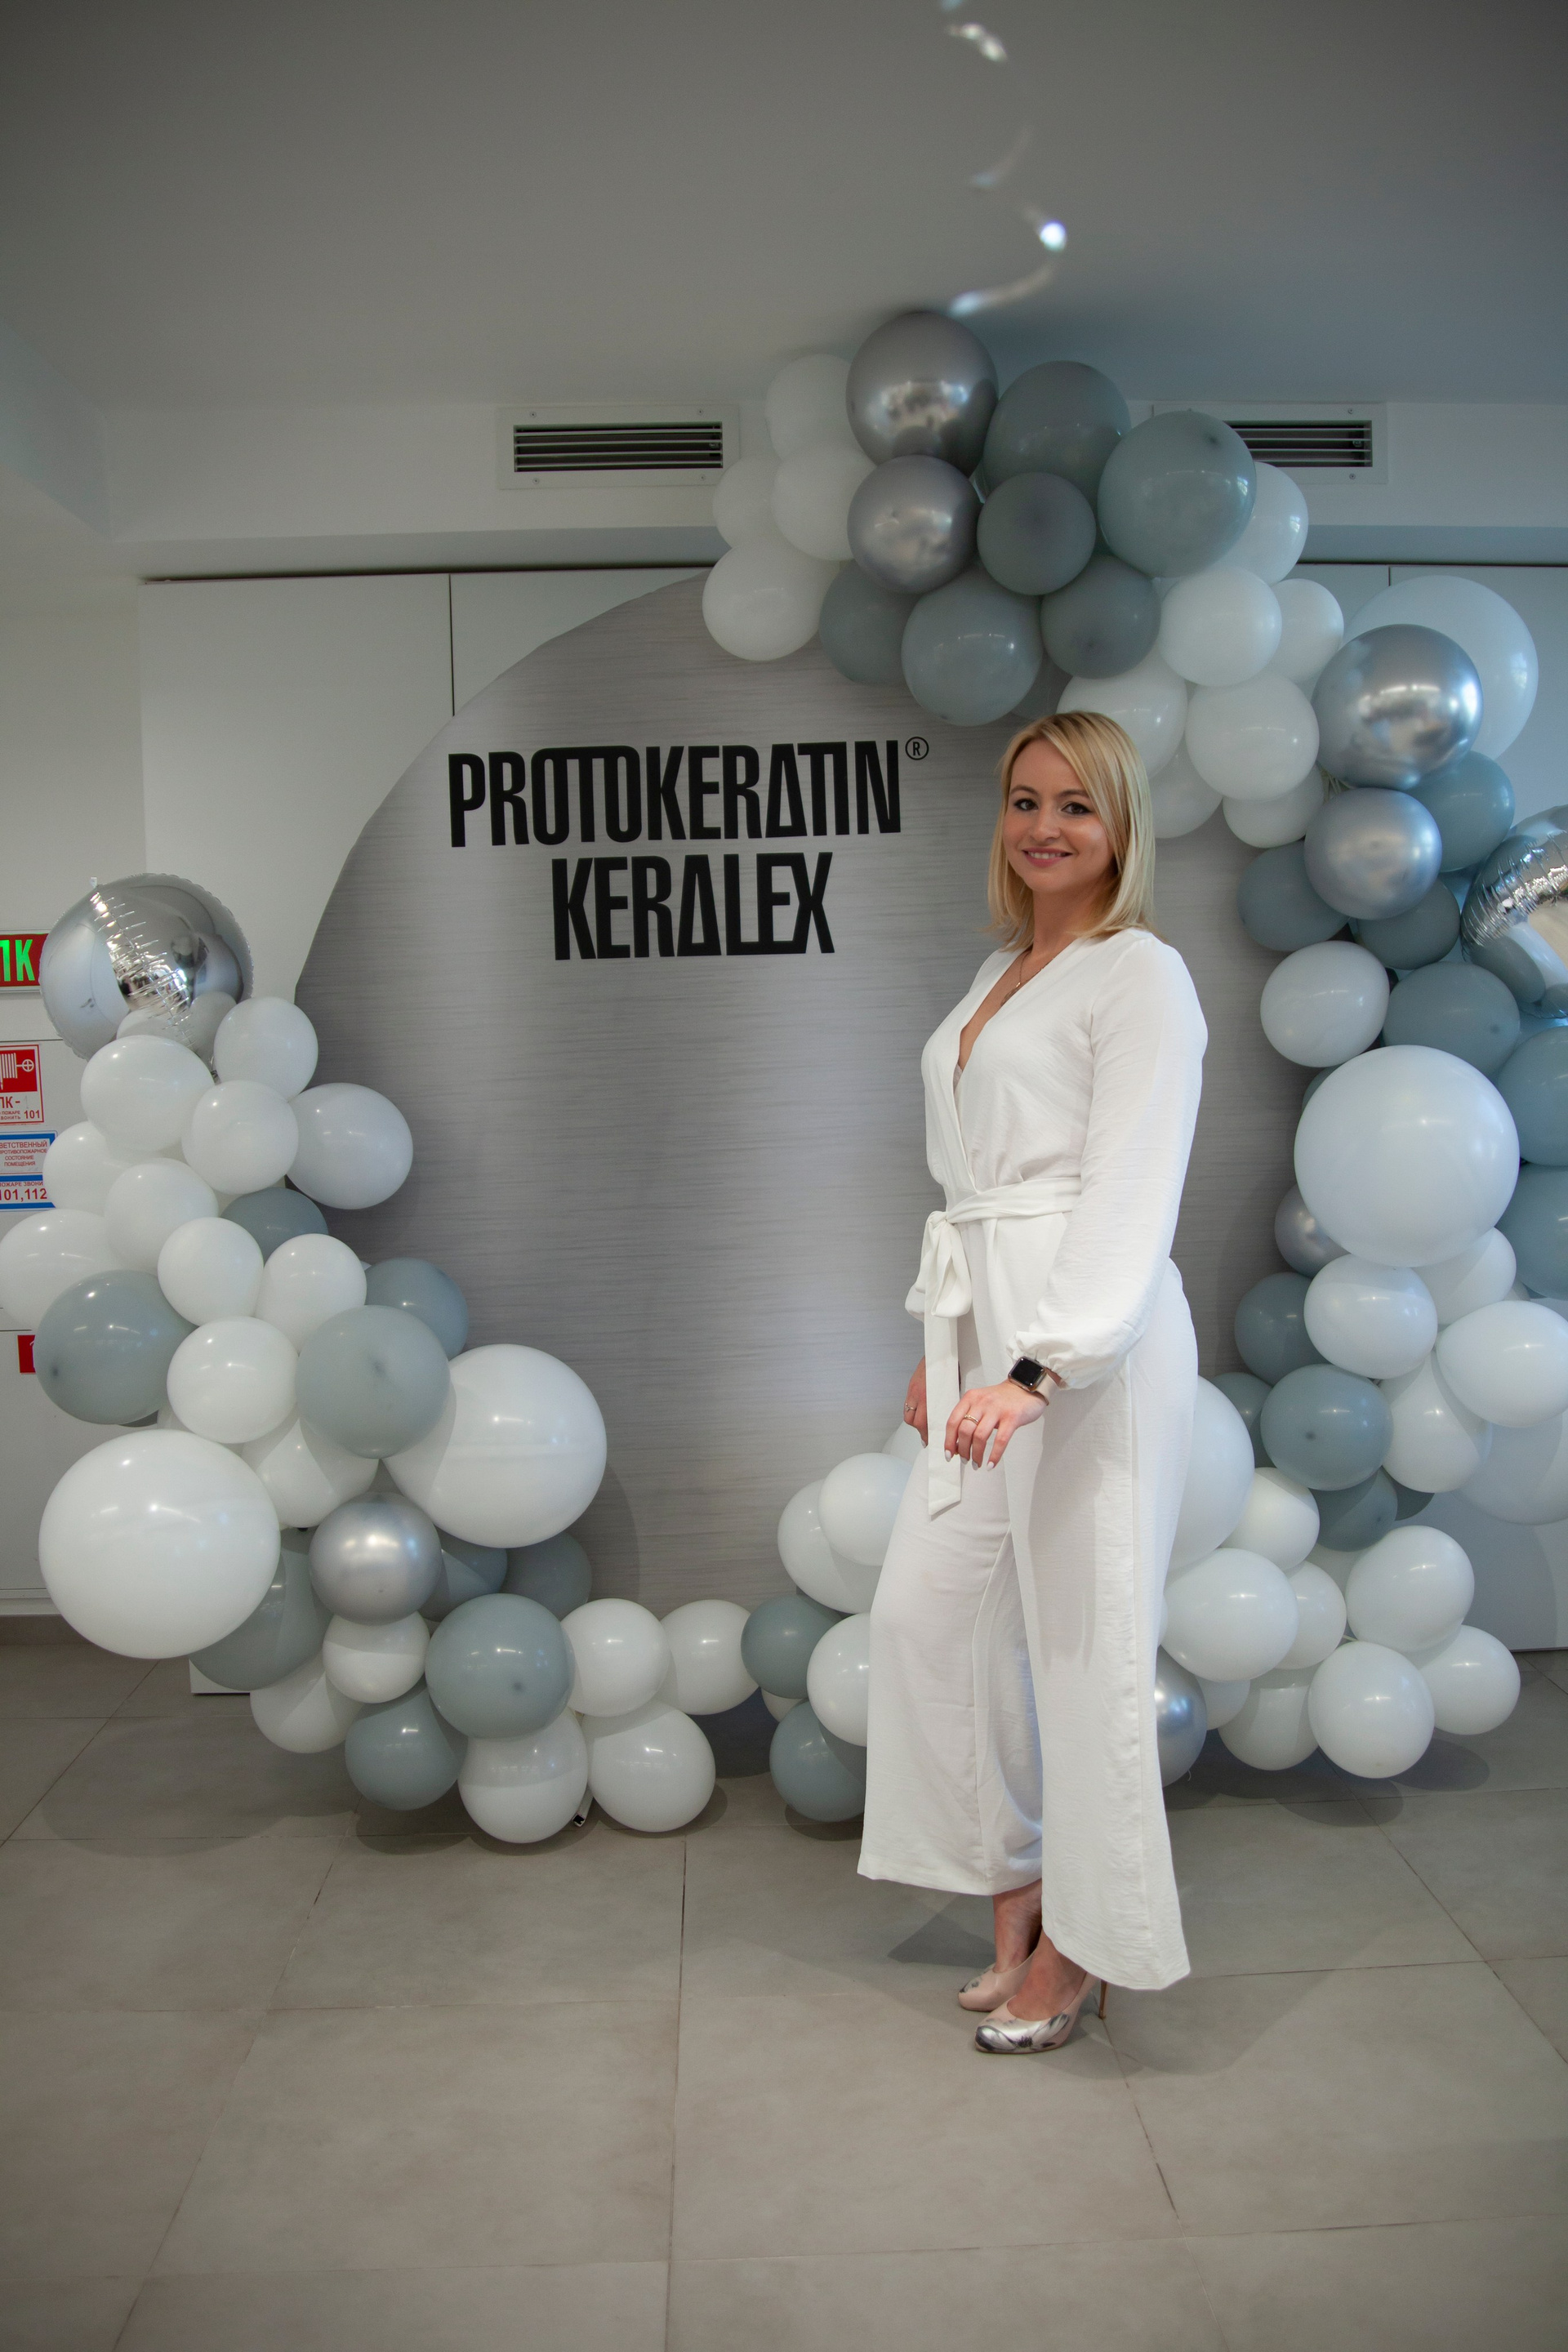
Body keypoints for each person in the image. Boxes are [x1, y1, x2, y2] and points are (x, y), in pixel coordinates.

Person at [858, 709, 1207, 2055]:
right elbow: (975, 1195)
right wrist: (944, 1352)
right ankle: (1018, 1889)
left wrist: (1038, 1366)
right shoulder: (1001, 969)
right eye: (1024, 801)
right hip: (988, 1332)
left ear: (1122, 826)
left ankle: (1083, 1951)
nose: (1045, 827)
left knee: (1086, 1649)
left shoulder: (1141, 974)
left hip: (1088, 1348)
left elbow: (1131, 1189)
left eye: (1076, 804)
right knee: (927, 1617)